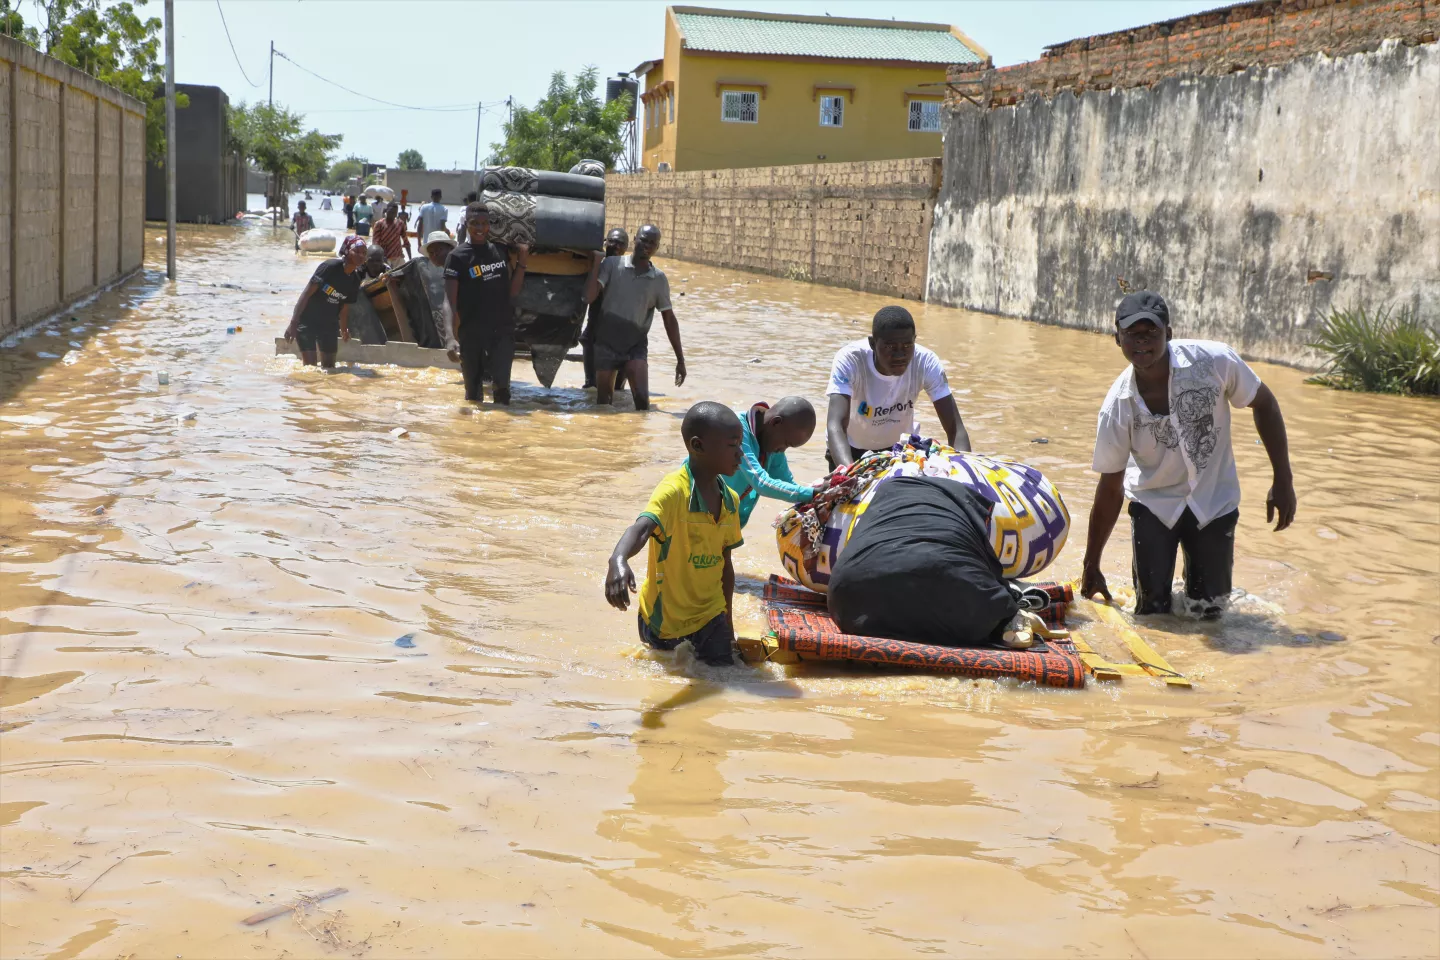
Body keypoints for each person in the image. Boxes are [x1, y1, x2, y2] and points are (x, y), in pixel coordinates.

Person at [1080, 291, 1297, 618]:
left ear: (1169, 332)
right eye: (1132, 335)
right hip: (1154, 503)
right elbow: (1110, 487)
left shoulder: (1213, 362)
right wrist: (1091, 563)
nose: (1142, 342)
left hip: (1214, 500)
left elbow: (1263, 403)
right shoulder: (1118, 407)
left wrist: (1283, 479)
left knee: (1210, 613)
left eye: (1151, 332)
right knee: (1152, 613)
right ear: (1117, 339)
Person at [604, 401, 745, 667]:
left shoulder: (731, 501)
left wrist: (729, 628)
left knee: (729, 678)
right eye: (732, 445)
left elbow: (725, 565)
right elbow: (642, 528)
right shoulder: (673, 492)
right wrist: (618, 559)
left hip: (711, 616)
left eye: (740, 445)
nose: (740, 454)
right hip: (665, 621)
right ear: (698, 446)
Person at [825, 305, 970, 470]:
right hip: (849, 448)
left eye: (907, 346)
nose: (900, 355)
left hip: (898, 451)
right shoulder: (850, 360)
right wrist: (849, 474)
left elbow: (955, 428)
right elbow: (835, 424)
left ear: (915, 340)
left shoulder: (926, 362)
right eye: (890, 347)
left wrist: (965, 471)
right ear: (872, 344)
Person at [582, 223, 686, 410]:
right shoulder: (612, 265)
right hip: (606, 343)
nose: (646, 246)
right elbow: (589, 297)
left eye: (652, 243)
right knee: (604, 405)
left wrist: (680, 359)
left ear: (657, 248)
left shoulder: (658, 279)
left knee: (642, 405)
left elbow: (669, 319)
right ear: (635, 239)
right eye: (643, 240)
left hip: (635, 346)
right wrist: (597, 262)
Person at [443, 201, 529, 404]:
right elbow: (449, 301)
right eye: (475, 223)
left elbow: (513, 292)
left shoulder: (500, 251)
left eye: (484, 223)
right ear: (466, 224)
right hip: (471, 335)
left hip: (502, 332)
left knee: (502, 391)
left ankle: (500, 433)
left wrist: (523, 259)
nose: (480, 228)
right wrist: (449, 337)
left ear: (490, 225)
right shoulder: (457, 257)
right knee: (473, 396)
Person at [723, 396, 827, 528]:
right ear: (776, 423)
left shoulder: (770, 442)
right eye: (786, 443)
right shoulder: (736, 430)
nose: (782, 450)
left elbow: (787, 483)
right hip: (696, 514)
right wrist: (811, 493)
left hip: (727, 523)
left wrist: (817, 493)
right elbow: (761, 482)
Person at [283, 235, 366, 369]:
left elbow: (344, 307)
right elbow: (306, 293)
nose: (361, 256)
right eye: (357, 251)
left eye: (364, 253)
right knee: (310, 369)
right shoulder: (330, 267)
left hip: (329, 325)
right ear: (346, 252)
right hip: (307, 322)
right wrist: (294, 323)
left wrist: (344, 329)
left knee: (329, 369)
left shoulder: (355, 280)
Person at [580, 227, 629, 389]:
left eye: (620, 243)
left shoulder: (628, 271)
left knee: (618, 390)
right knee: (592, 387)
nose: (615, 245)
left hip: (619, 332)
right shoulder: (595, 266)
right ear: (605, 243)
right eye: (612, 241)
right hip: (595, 329)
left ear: (626, 249)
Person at [418, 230, 457, 350]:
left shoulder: (457, 268)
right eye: (431, 252)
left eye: (438, 250)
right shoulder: (442, 269)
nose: (434, 255)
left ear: (450, 249)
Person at [372, 202, 411, 268]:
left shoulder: (400, 223)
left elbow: (406, 242)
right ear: (386, 211)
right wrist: (380, 257)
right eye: (391, 212)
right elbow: (375, 243)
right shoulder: (379, 224)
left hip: (398, 257)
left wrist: (410, 259)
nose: (393, 214)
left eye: (395, 212)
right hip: (384, 257)